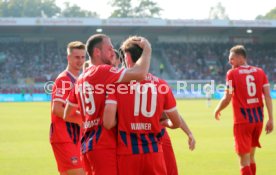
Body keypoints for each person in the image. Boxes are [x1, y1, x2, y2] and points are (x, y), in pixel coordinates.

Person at [103, 37, 195, 175]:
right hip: (154, 151)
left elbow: (108, 122)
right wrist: (166, 123)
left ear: (127, 58)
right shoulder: (161, 85)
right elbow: (175, 121)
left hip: (128, 152)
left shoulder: (116, 85)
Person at [64, 34, 152, 175]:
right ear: (97, 52)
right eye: (109, 49)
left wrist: (89, 121)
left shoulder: (80, 78)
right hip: (103, 145)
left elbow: (67, 114)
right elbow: (140, 73)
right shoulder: (103, 71)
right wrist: (147, 49)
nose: (113, 52)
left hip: (87, 145)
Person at [214, 45, 274, 175]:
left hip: (243, 121)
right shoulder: (260, 72)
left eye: (232, 59)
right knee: (251, 156)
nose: (230, 62)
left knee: (243, 160)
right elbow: (268, 96)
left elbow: (227, 97)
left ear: (241, 58)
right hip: (258, 120)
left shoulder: (232, 73)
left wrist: (217, 109)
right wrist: (271, 119)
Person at [50, 41, 86, 175]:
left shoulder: (81, 79)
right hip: (64, 136)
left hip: (76, 137)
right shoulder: (63, 79)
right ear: (69, 58)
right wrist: (83, 120)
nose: (80, 61)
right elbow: (57, 109)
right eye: (77, 57)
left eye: (83, 57)